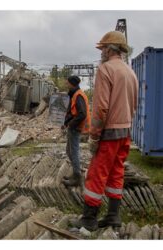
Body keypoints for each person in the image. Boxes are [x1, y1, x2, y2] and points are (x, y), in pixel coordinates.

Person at [71, 31, 139, 231]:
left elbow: (101, 108)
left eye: (102, 49)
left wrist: (94, 135)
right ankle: (113, 216)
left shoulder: (106, 70)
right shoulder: (130, 72)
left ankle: (89, 219)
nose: (101, 52)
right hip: (125, 131)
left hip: (109, 132)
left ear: (109, 49)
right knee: (116, 173)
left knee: (96, 173)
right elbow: (134, 105)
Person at [61, 75, 90, 187]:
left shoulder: (78, 96)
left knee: (74, 151)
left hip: (76, 128)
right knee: (69, 151)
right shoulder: (74, 94)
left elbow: (82, 114)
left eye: (68, 83)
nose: (67, 85)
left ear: (72, 83)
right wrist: (65, 123)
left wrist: (71, 124)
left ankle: (77, 177)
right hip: (73, 126)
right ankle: (75, 173)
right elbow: (72, 112)